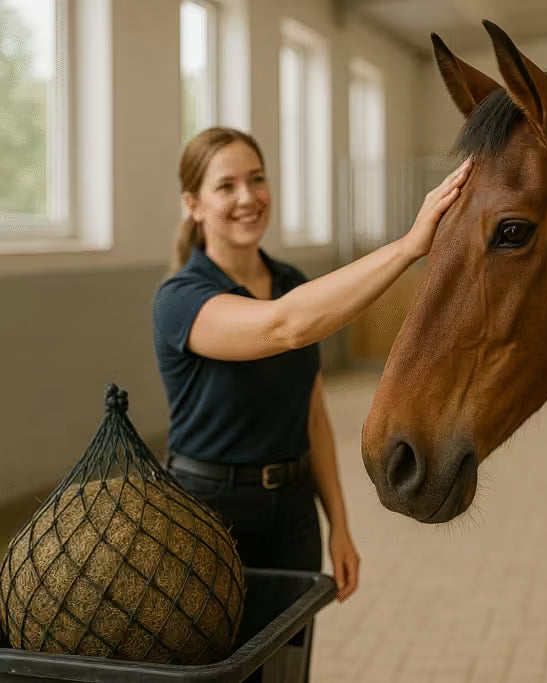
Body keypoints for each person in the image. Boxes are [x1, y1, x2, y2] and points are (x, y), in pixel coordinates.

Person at [151, 126, 471, 612]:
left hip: (294, 509)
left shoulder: (290, 281)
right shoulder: (179, 300)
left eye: (257, 179)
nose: (248, 197)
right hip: (210, 510)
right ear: (193, 205)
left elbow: (314, 415)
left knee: (288, 662)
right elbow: (285, 327)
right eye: (226, 185)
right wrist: (409, 246)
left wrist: (338, 525)